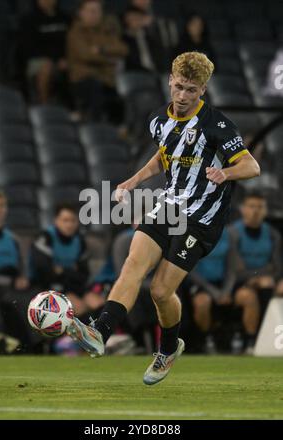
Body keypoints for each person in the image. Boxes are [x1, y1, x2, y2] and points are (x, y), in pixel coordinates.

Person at [63, 51, 259, 385]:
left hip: (202, 218)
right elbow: (164, 156)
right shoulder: (158, 120)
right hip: (168, 206)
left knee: (160, 291)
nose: (183, 97)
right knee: (132, 265)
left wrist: (225, 173)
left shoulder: (218, 125)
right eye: (179, 87)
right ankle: (100, 332)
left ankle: (168, 349)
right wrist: (133, 181)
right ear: (170, 80)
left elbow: (251, 166)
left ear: (203, 91)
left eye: (192, 91)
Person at [230, 192, 282, 353]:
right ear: (243, 209)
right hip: (237, 285)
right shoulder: (233, 233)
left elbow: (277, 266)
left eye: (260, 207)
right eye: (252, 206)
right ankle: (251, 342)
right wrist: (255, 278)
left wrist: (274, 279)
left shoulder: (273, 234)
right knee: (248, 297)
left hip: (267, 282)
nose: (256, 211)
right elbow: (234, 270)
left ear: (265, 211)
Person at [30, 203, 103, 317]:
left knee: (99, 304)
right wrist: (71, 271)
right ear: (56, 221)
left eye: (73, 220)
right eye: (65, 220)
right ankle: (75, 335)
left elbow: (84, 274)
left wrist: (61, 270)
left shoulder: (80, 240)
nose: (69, 225)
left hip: (75, 286)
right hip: (49, 288)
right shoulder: (45, 238)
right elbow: (44, 272)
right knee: (79, 307)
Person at [0, 189, 32, 355]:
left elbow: (23, 269)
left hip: (12, 289)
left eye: (1, 205)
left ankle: (30, 345)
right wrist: (8, 281)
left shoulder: (13, 239)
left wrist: (22, 279)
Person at [66, 0, 128, 122]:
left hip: (106, 79)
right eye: (91, 11)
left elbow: (123, 49)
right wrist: (109, 59)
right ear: (81, 13)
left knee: (122, 100)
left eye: (98, 11)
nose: (96, 15)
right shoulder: (75, 33)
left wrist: (101, 49)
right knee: (95, 90)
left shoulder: (104, 30)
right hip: (83, 79)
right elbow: (86, 56)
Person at [187, 227, 237, 353]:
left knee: (244, 297)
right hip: (200, 283)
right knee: (203, 302)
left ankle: (244, 340)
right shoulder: (193, 232)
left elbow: (232, 268)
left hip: (222, 283)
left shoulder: (227, 235)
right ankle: (206, 337)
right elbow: (191, 270)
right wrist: (214, 292)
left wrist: (226, 291)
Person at [19, 0, 70, 103]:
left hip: (63, 58)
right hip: (37, 59)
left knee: (77, 67)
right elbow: (28, 47)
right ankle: (44, 104)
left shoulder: (65, 18)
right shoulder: (29, 19)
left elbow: (72, 43)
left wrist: (65, 59)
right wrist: (53, 60)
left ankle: (72, 106)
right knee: (46, 68)